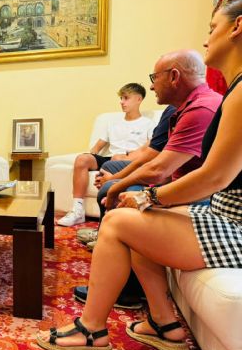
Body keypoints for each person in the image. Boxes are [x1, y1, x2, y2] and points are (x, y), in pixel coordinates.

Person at [36, 0, 242, 350]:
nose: (208, 39)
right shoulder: (230, 92)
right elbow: (157, 157)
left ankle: (93, 330)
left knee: (118, 222)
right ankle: (164, 324)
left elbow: (215, 176)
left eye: (213, 29)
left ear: (237, 28)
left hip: (234, 224)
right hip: (222, 215)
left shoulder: (233, 95)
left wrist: (149, 197)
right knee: (132, 221)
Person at [72, 50, 222, 308]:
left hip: (205, 203)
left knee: (121, 206)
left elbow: (158, 168)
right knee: (122, 194)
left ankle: (111, 306)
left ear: (174, 76)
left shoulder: (201, 108)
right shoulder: (183, 108)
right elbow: (156, 158)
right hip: (186, 192)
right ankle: (160, 318)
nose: (152, 84)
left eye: (154, 77)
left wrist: (121, 187)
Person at [57, 83, 155, 226]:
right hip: (111, 158)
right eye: (121, 98)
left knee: (116, 160)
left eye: (126, 98)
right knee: (82, 159)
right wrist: (91, 155)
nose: (122, 102)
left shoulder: (148, 124)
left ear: (139, 99)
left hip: (133, 160)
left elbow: (150, 150)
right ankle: (77, 210)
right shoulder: (113, 123)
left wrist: (127, 157)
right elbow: (97, 147)